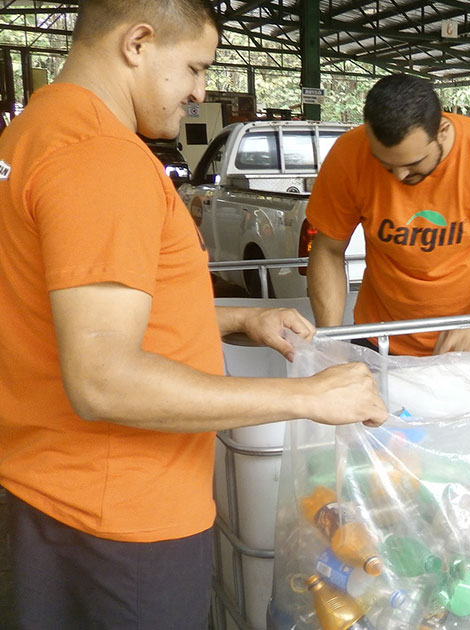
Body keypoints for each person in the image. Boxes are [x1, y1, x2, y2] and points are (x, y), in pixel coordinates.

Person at [0, 2, 389, 627]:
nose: (200, 92)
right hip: (122, 517)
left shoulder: (35, 131)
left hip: (50, 488)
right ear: (138, 43)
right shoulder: (100, 159)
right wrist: (308, 397)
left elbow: (77, 315)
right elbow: (103, 379)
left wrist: (236, 319)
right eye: (195, 67)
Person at [306, 74, 470, 356]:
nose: (399, 176)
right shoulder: (349, 154)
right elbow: (328, 250)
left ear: (443, 132)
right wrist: (329, 342)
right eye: (385, 165)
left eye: (413, 163)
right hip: (378, 340)